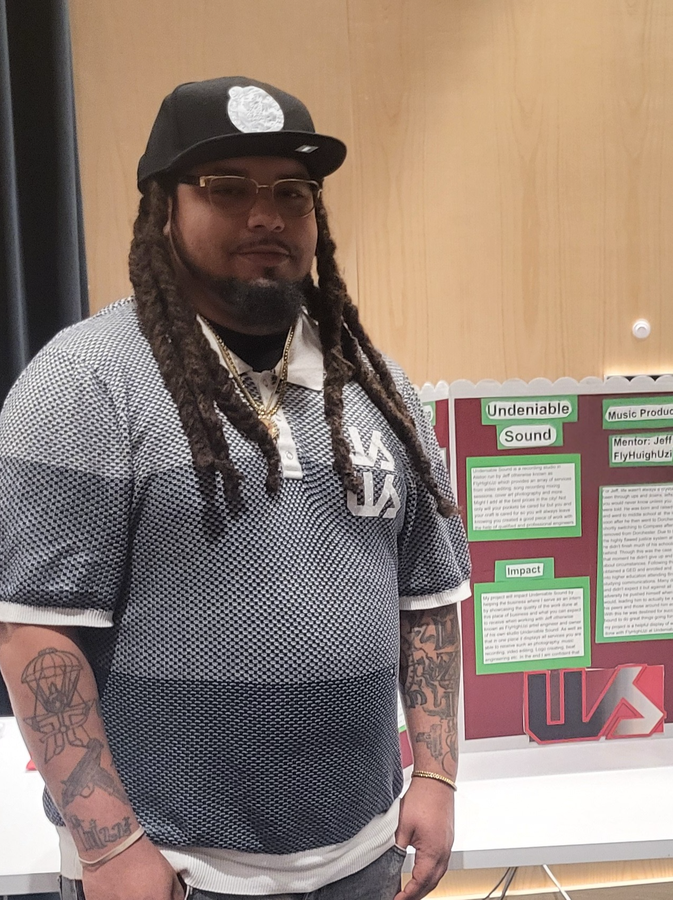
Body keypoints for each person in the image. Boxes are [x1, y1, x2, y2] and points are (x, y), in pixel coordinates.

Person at [0, 77, 470, 900]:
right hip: (170, 871)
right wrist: (109, 848)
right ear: (164, 207)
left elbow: (425, 599)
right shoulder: (85, 381)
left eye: (292, 192)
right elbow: (34, 632)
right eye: (227, 188)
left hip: (365, 857)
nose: (266, 215)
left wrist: (436, 775)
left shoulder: (376, 387)